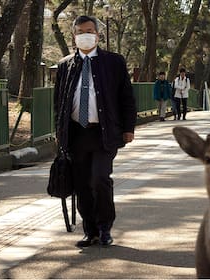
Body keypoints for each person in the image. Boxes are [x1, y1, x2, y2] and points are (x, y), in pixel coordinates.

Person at [53, 15, 137, 248]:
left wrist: (129, 128)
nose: (85, 35)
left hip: (104, 133)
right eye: (80, 31)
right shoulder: (65, 65)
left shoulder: (114, 62)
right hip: (76, 133)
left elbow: (127, 98)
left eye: (89, 30)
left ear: (98, 34)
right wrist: (59, 130)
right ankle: (90, 230)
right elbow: (58, 101)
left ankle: (105, 227)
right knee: (81, 183)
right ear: (74, 35)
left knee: (100, 178)